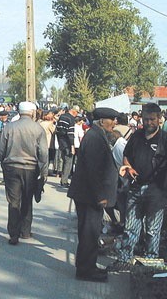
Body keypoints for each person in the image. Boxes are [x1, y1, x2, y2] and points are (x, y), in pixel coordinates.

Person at [108, 103, 167, 272]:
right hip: (135, 188)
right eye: (146, 119)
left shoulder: (164, 139)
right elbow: (126, 155)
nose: (149, 122)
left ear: (159, 119)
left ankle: (150, 263)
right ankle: (124, 260)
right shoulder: (136, 136)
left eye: (152, 119)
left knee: (153, 230)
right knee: (131, 227)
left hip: (156, 192)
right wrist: (129, 167)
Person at [67, 107, 120, 283]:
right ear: (101, 121)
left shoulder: (96, 135)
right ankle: (85, 270)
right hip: (90, 196)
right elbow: (93, 171)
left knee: (90, 232)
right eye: (111, 119)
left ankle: (87, 265)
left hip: (89, 194)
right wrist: (100, 195)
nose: (114, 123)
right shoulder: (95, 138)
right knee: (89, 232)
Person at [0, 101, 48, 245]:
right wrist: (44, 173)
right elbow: (43, 153)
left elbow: (0, 149)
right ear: (32, 112)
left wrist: (4, 163)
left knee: (13, 201)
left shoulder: (9, 127)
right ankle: (25, 231)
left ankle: (13, 234)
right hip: (31, 169)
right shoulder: (38, 129)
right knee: (27, 200)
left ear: (19, 112)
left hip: (12, 168)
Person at [56, 105, 79, 187]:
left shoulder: (62, 117)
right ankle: (64, 181)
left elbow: (57, 130)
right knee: (68, 162)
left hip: (61, 142)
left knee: (64, 161)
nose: (77, 115)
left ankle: (63, 179)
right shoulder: (71, 119)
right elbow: (70, 134)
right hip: (67, 143)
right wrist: (72, 146)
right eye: (77, 112)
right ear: (74, 111)